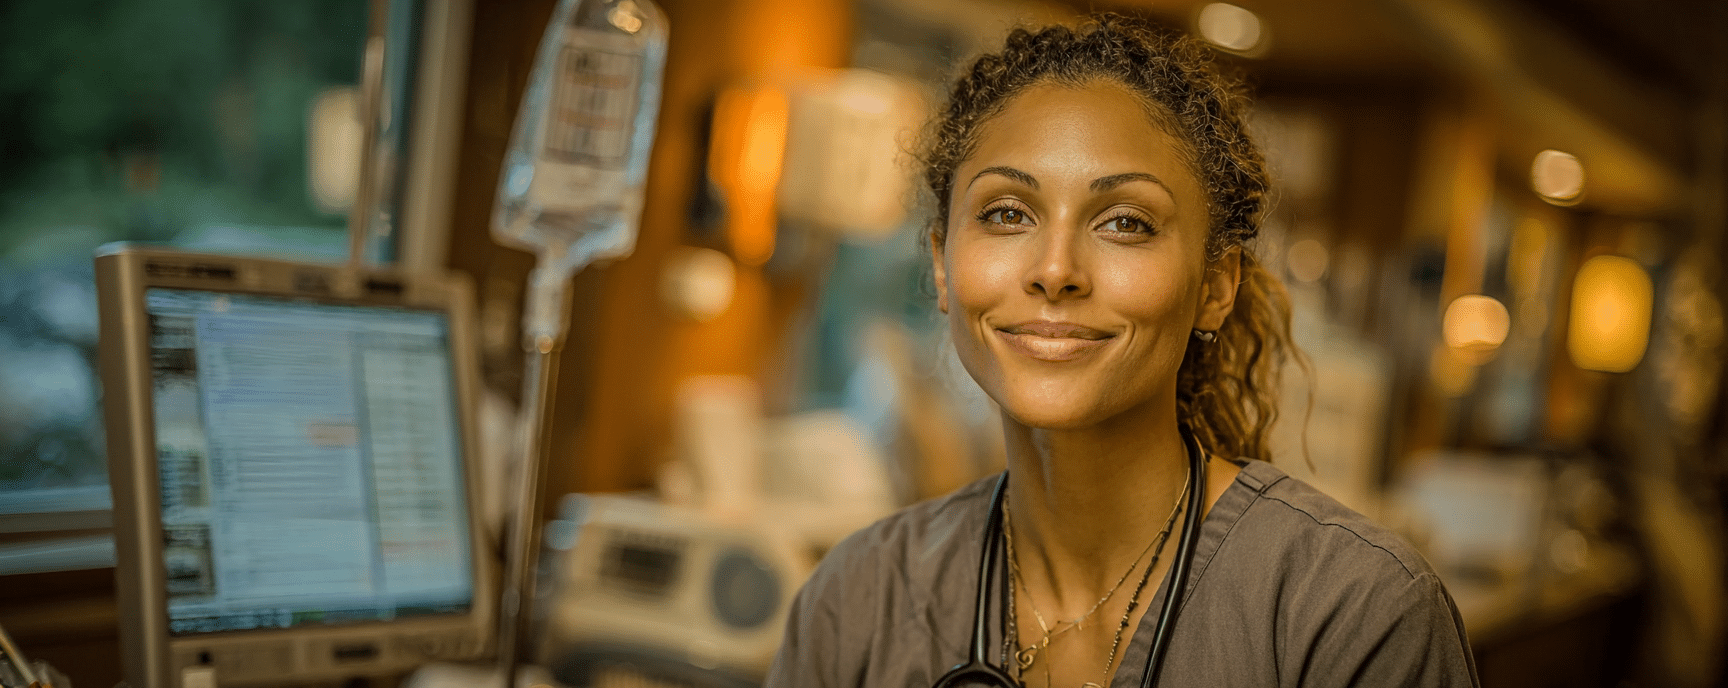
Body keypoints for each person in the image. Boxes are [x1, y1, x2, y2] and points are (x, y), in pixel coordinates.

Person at [765, 14, 1478, 688]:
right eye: (1007, 213)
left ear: (1216, 286)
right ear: (944, 266)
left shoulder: (1355, 614)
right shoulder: (857, 599)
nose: (1055, 268)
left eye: (1126, 223)